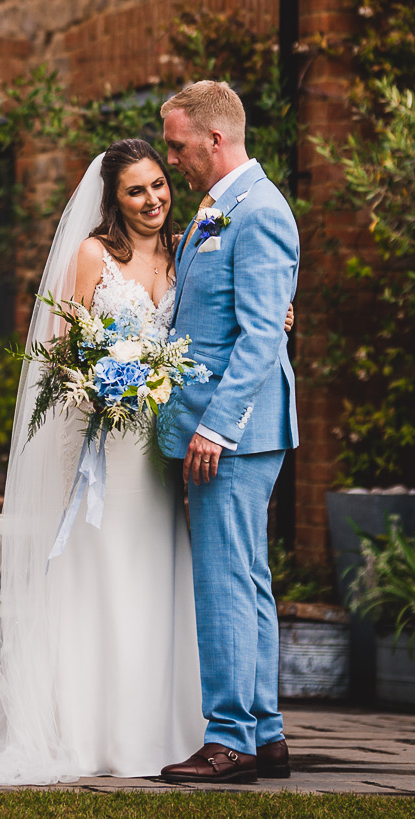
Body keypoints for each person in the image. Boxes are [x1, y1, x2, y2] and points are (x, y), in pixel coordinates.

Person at [0, 136, 291, 786]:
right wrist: (102, 385)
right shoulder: (95, 254)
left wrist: (277, 312)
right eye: (136, 190)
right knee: (103, 570)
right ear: (113, 201)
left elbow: (221, 317)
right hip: (107, 443)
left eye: (158, 184)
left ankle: (165, 726)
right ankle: (88, 725)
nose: (153, 198)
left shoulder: (186, 251)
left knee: (162, 574)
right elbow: (63, 352)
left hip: (162, 443)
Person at [153, 78, 300, 785]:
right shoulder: (219, 207)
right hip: (222, 426)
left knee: (224, 583)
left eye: (178, 145)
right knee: (247, 577)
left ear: (216, 139)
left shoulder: (261, 211)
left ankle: (230, 738)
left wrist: (216, 426)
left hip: (234, 431)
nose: (172, 158)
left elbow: (260, 337)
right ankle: (265, 733)